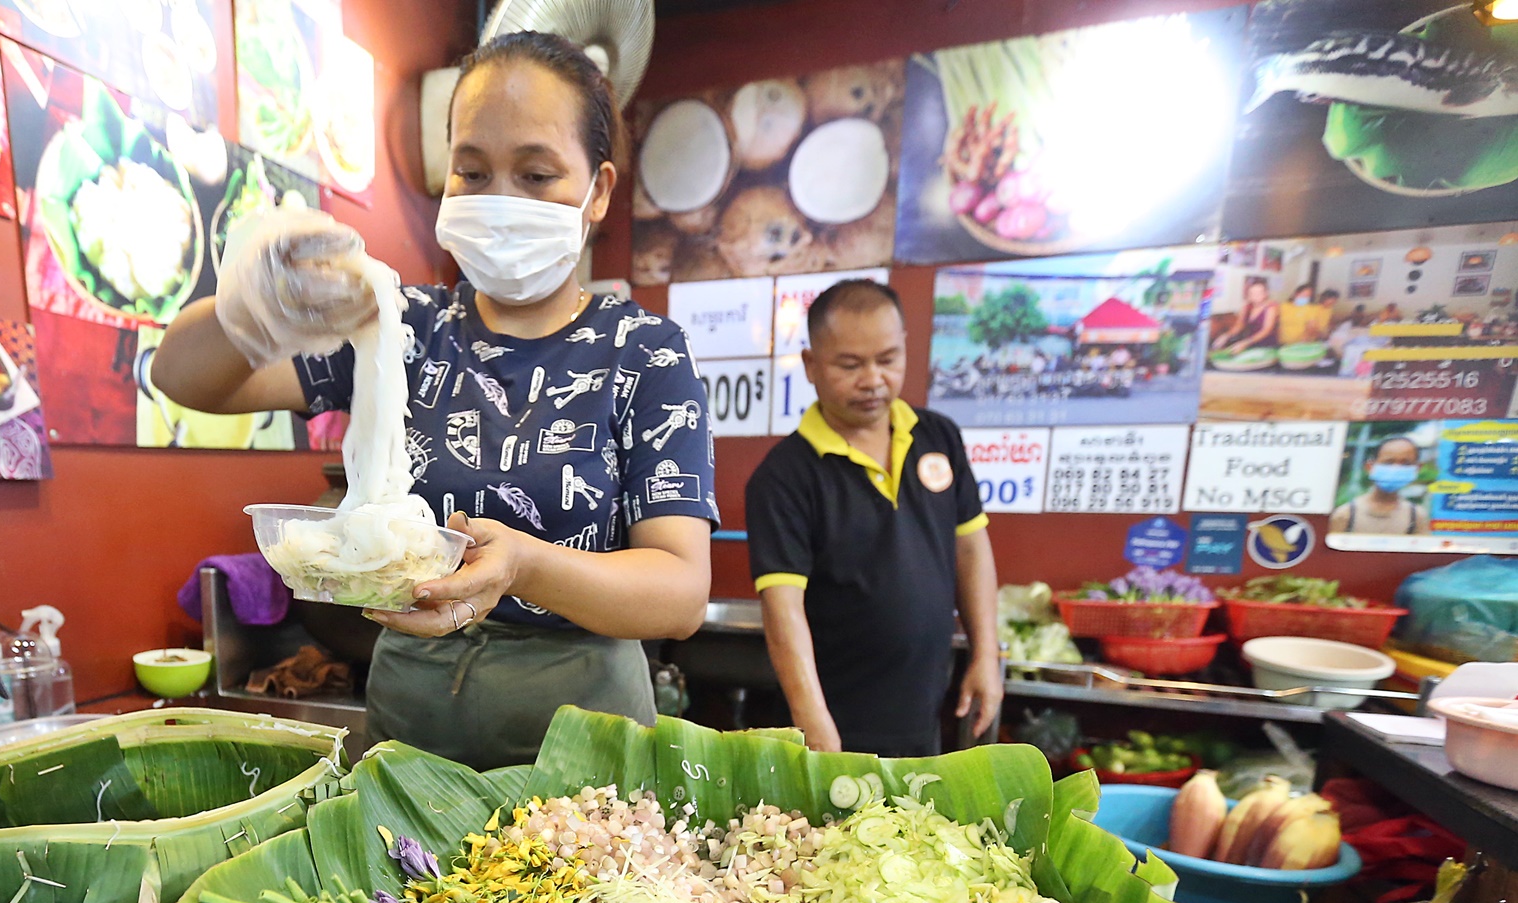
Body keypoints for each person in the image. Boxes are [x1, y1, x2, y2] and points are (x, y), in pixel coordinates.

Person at [148, 32, 717, 770]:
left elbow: (678, 590)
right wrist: (254, 300)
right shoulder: (402, 325)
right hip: (413, 730)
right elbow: (185, 378)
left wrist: (524, 567)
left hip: (584, 743)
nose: (500, 200)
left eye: (538, 174)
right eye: (472, 171)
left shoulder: (644, 351)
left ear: (598, 190)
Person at [744, 280, 1002, 757]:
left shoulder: (938, 436)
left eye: (887, 359)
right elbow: (782, 608)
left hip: (923, 716)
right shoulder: (783, 477)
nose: (873, 379)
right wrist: (812, 721)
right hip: (836, 728)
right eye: (850, 364)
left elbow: (971, 548)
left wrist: (988, 655)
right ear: (811, 365)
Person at [1330, 436, 1429, 535]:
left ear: (1417, 469)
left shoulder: (1416, 516)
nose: (1396, 468)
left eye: (1406, 463)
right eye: (1388, 462)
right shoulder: (1346, 514)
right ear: (1370, 467)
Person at [1213, 276, 1278, 353]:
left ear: (1266, 293)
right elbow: (1239, 325)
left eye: (1259, 293)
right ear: (1249, 295)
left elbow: (1266, 330)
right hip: (1250, 344)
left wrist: (1246, 342)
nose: (1255, 296)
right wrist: (1226, 335)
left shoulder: (1271, 307)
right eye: (1252, 293)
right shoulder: (1246, 307)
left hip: (1267, 347)